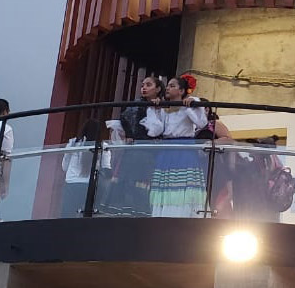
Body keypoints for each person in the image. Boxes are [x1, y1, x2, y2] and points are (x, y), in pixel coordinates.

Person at [141, 74, 209, 217]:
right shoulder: (163, 106)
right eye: (168, 85)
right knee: (166, 183)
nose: (168, 88)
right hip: (167, 148)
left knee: (184, 183)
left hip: (184, 148)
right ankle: (163, 214)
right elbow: (155, 131)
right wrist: (154, 109)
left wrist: (191, 105)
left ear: (181, 91)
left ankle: (184, 214)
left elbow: (202, 123)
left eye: (173, 86)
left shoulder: (191, 103)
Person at [111, 75, 166, 215]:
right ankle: (125, 209)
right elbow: (124, 118)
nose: (144, 88)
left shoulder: (164, 106)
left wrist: (158, 107)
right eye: (143, 85)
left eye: (148, 85)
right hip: (134, 147)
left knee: (143, 182)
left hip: (151, 151)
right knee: (128, 179)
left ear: (158, 88)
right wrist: (129, 134)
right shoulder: (136, 104)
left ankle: (142, 211)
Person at [60, 119, 111, 218]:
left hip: (71, 184)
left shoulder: (73, 143)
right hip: (90, 186)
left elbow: (64, 166)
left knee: (66, 216)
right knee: (87, 216)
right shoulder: (103, 147)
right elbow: (106, 168)